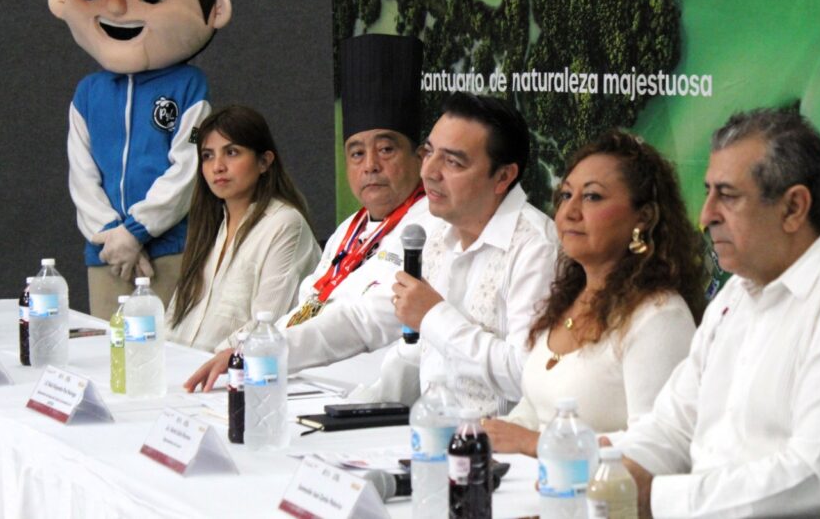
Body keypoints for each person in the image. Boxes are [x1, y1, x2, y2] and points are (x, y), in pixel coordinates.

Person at [612, 108, 820, 518]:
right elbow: (673, 425)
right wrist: (613, 472)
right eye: (709, 191)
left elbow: (814, 478)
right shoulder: (738, 293)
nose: (706, 216)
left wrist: (653, 498)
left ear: (793, 208)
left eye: (728, 196)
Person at [184, 33, 434, 400]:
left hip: (366, 395)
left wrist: (258, 352)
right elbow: (307, 305)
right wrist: (249, 351)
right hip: (299, 378)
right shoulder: (350, 228)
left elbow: (364, 321)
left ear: (420, 156)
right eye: (356, 154)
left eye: (385, 149)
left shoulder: (430, 226)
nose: (370, 166)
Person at [42, 0, 232, 317]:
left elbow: (187, 169)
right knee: (108, 348)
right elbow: (82, 175)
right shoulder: (88, 94)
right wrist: (112, 234)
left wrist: (138, 230)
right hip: (106, 254)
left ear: (216, 7)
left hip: (172, 247)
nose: (115, 6)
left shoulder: (189, 87)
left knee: (171, 347)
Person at [482, 132, 706, 456]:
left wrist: (535, 444)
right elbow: (534, 410)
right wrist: (486, 435)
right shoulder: (569, 298)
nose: (569, 212)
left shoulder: (660, 315)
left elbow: (661, 448)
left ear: (643, 217)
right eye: (565, 195)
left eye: (592, 197)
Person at [389, 92, 559, 414]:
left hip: (501, 441)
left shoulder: (537, 248)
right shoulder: (438, 232)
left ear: (503, 177)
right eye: (429, 152)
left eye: (452, 162)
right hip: (434, 428)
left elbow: (529, 375)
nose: (428, 172)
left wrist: (433, 316)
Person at [165, 106, 321, 351]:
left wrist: (205, 364)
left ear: (264, 162)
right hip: (184, 365)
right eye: (207, 155)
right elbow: (173, 317)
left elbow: (266, 324)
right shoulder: (209, 225)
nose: (217, 166)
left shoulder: (285, 224)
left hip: (236, 368)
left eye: (231, 152)